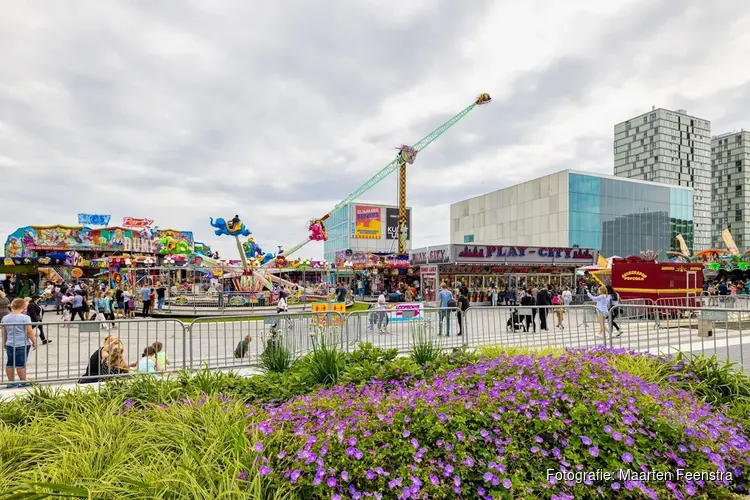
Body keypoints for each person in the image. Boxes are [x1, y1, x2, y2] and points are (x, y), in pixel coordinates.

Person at [2, 298, 36, 388]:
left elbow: (5, 332)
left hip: (10, 343)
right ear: (23, 307)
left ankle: (11, 382)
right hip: (22, 343)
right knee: (21, 364)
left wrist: (4, 342)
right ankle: (23, 381)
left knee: (10, 363)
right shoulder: (25, 318)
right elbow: (29, 331)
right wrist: (34, 341)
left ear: (12, 306)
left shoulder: (5, 318)